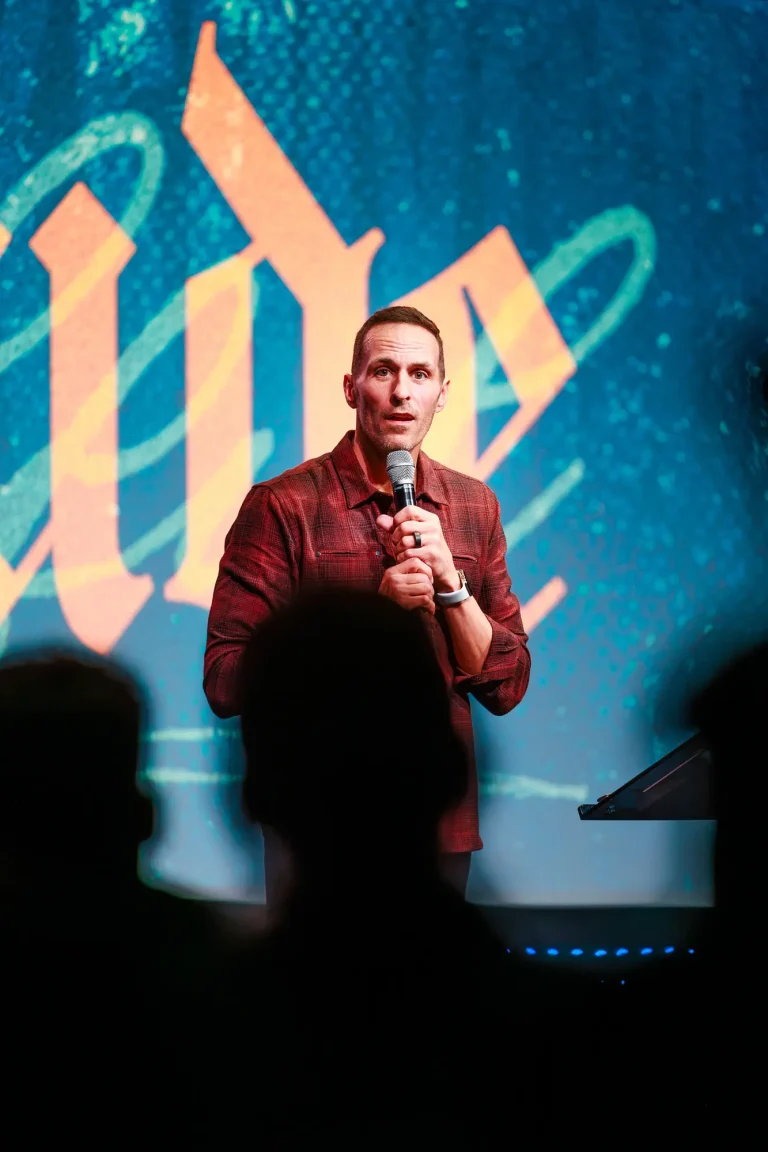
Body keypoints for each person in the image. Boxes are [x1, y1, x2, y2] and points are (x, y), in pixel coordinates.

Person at [204, 305, 531, 899]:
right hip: (317, 824)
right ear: (352, 389)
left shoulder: (473, 506)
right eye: (384, 372)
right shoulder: (284, 505)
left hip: (438, 825)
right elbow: (226, 680)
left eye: (420, 375)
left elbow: (507, 686)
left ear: (443, 392)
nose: (403, 392)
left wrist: (452, 588)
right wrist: (368, 617)